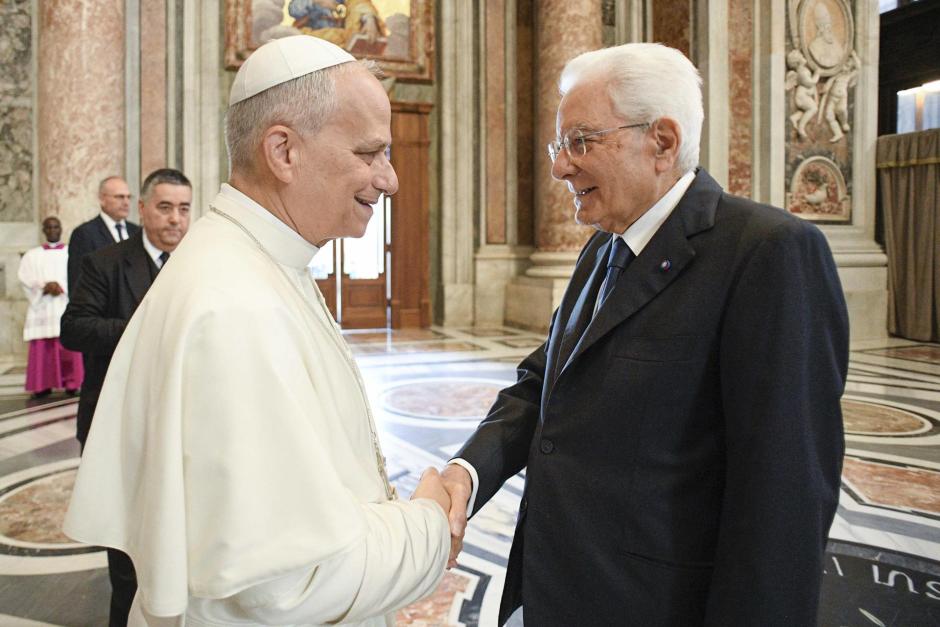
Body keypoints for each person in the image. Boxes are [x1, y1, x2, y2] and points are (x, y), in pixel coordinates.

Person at [441, 43, 849, 626]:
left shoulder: (767, 254)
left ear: (661, 141)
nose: (559, 166)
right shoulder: (603, 244)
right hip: (559, 590)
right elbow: (545, 385)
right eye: (561, 145)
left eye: (580, 142)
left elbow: (783, 503)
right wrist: (470, 470)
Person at [63, 36, 450, 627]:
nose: (390, 179)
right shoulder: (233, 305)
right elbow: (291, 585)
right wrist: (431, 524)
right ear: (283, 151)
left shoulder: (260, 262)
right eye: (370, 153)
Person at [60, 168, 193, 627]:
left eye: (184, 208)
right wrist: (142, 331)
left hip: (182, 431)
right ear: (141, 209)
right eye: (164, 207)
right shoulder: (106, 263)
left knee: (178, 549)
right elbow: (74, 329)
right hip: (117, 428)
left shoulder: (199, 265)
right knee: (128, 557)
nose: (176, 219)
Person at [17, 216, 84, 399]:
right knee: (43, 349)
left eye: (56, 227)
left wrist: (62, 286)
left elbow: (81, 276)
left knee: (69, 347)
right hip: (43, 306)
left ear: (61, 229)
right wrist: (44, 286)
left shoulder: (72, 253)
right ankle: (42, 385)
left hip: (65, 304)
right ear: (43, 230)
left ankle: (73, 383)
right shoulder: (32, 255)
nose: (53, 230)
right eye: (49, 227)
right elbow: (24, 278)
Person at [67, 176, 140, 293]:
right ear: (102, 199)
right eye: (119, 197)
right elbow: (77, 282)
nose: (126, 202)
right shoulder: (84, 234)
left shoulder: (137, 232)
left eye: (128, 197)